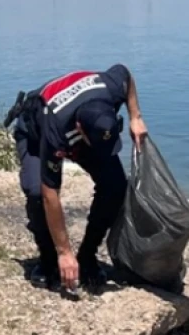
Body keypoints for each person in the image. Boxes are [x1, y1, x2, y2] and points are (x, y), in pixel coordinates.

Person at [8, 66, 148, 294]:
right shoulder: (55, 125)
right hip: (36, 134)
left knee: (115, 186)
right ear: (81, 130)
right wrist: (64, 252)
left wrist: (135, 116)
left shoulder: (111, 89)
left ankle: (87, 256)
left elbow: (125, 74)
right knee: (36, 192)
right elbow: (49, 193)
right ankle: (48, 260)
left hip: (86, 133)